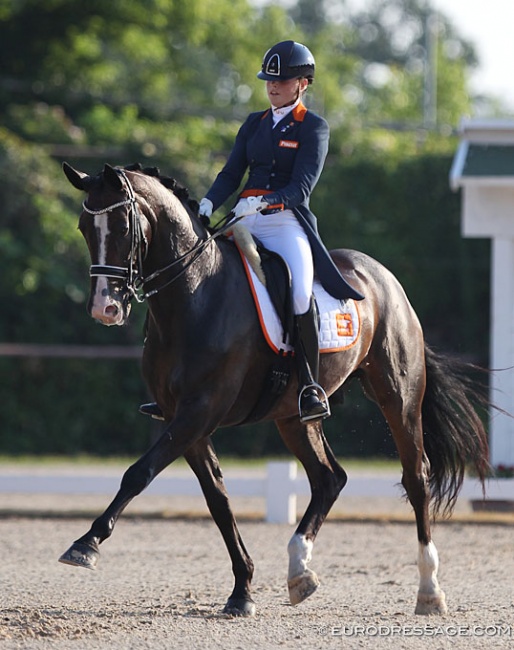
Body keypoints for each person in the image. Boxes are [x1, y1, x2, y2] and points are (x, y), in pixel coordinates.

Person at [140, 40, 363, 424]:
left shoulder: (313, 128)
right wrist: (209, 202)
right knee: (189, 275)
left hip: (285, 222)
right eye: (269, 80)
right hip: (243, 218)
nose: (273, 86)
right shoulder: (253, 124)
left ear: (303, 84)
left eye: (283, 80)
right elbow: (231, 173)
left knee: (298, 291)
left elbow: (301, 188)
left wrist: (264, 202)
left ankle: (310, 385)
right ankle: (170, 384)